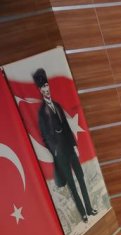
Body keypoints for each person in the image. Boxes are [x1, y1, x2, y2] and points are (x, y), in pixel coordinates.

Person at [32, 68, 95, 222]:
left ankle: (89, 208)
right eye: (43, 87)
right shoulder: (42, 113)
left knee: (81, 178)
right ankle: (83, 214)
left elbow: (66, 127)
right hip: (60, 154)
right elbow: (45, 136)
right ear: (40, 90)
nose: (46, 89)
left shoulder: (57, 105)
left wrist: (74, 145)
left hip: (70, 148)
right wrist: (55, 150)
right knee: (72, 185)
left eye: (47, 85)